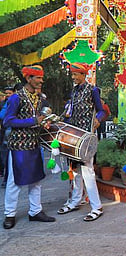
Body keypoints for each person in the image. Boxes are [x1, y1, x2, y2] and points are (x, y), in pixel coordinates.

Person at [2, 65, 56, 229]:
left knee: (36, 179)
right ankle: (9, 214)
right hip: (18, 145)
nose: (41, 81)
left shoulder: (39, 98)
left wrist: (47, 122)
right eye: (37, 78)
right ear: (28, 78)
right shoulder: (15, 98)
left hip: (34, 144)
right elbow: (7, 121)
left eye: (41, 77)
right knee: (14, 181)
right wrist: (32, 121)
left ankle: (35, 211)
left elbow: (38, 119)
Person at [56, 62, 106, 222]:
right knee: (75, 170)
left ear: (84, 75)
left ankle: (96, 207)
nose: (73, 77)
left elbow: (102, 110)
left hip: (86, 136)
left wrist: (98, 120)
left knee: (88, 171)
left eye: (76, 74)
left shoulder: (93, 90)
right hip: (73, 136)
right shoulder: (74, 91)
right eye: (72, 74)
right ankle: (75, 201)